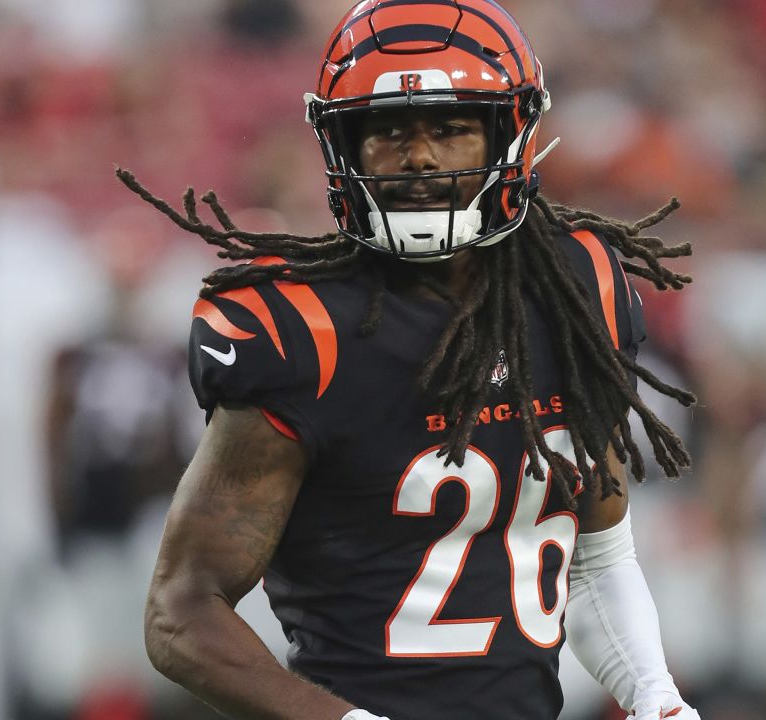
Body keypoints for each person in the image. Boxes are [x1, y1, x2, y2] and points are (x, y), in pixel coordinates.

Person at [120, 1, 699, 718]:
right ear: (343, 146)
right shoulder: (304, 331)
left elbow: (596, 556)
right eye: (387, 130)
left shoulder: (581, 291)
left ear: (510, 134)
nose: (419, 155)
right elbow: (181, 612)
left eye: (451, 128)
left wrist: (654, 693)